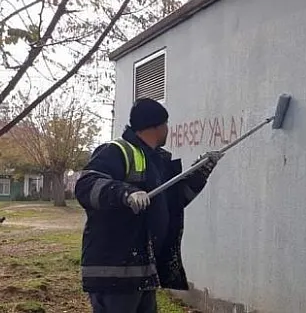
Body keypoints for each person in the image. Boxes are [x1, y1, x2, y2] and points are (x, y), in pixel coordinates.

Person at [75, 97, 222, 313]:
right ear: (157, 126)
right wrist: (126, 193)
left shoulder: (156, 160)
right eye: (166, 124)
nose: (167, 130)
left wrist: (200, 173)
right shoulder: (116, 151)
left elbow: (174, 202)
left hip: (142, 272)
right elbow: (86, 186)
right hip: (114, 273)